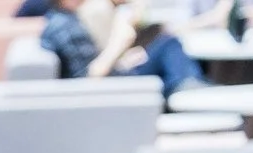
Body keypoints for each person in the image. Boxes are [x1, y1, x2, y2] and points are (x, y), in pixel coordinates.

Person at [38, 0, 215, 95]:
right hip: (114, 86)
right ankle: (186, 87)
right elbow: (85, 81)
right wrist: (118, 45)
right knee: (167, 44)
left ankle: (185, 85)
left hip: (117, 74)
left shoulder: (63, 20)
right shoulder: (64, 28)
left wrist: (122, 56)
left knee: (164, 42)